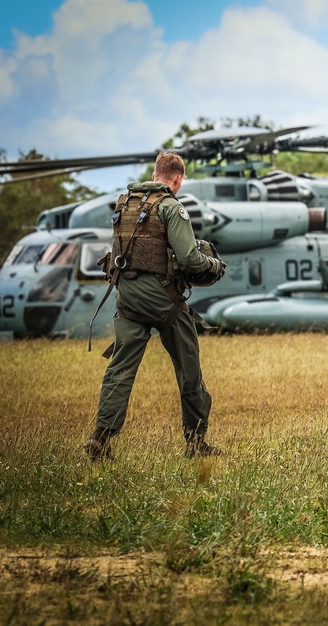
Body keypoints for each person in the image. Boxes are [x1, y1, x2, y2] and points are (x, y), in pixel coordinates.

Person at [86, 152, 226, 461]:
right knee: (189, 369)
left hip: (125, 296)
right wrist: (213, 265)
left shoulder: (126, 204)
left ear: (154, 174)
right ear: (177, 179)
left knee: (120, 369)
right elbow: (189, 258)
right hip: (163, 300)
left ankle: (101, 438)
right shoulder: (172, 208)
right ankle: (196, 442)